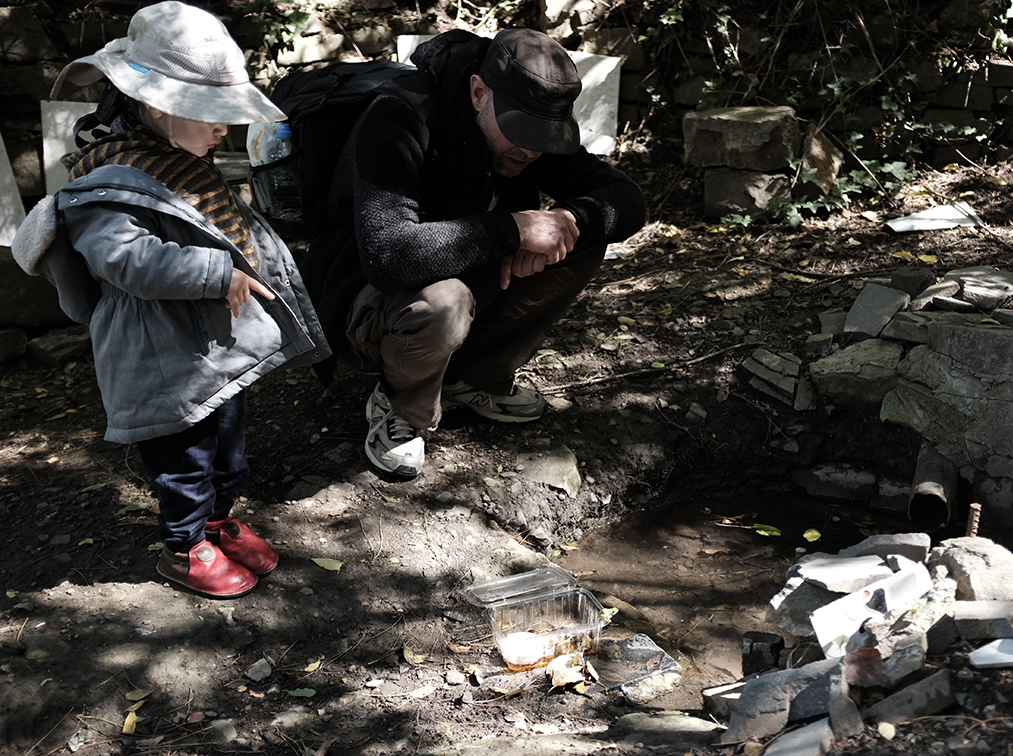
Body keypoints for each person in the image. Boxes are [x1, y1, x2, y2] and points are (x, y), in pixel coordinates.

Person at [11, 1, 330, 598]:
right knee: (183, 459)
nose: (222, 128)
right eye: (210, 114)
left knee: (229, 449)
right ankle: (185, 548)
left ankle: (216, 522)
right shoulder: (104, 185)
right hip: (159, 358)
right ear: (158, 107)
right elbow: (124, 259)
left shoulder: (184, 165)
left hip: (209, 349)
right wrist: (215, 270)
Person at [301, 28, 647, 479]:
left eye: (545, 135)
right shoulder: (399, 116)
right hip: (362, 299)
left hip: (458, 276)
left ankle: (469, 377)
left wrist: (567, 219)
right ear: (479, 92)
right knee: (444, 302)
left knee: (580, 235)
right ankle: (401, 405)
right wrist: (514, 229)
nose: (531, 148)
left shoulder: (531, 134)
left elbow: (627, 200)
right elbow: (389, 256)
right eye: (520, 130)